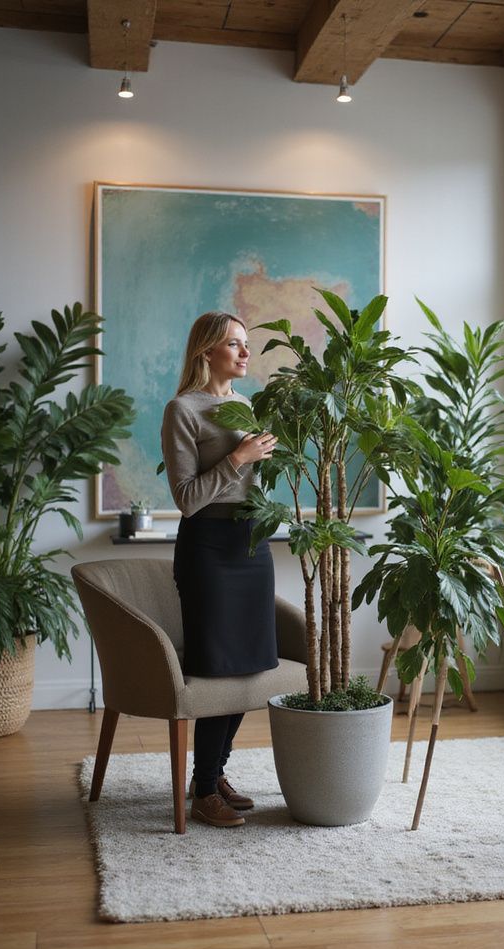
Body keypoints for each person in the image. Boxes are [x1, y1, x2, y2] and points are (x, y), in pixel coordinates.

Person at [161, 311, 279, 828]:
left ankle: (212, 773)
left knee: (247, 665)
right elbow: (186, 500)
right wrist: (239, 457)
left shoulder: (247, 407)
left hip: (250, 544)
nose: (246, 353)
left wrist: (269, 460)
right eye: (235, 344)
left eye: (246, 344)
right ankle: (204, 790)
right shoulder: (182, 410)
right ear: (207, 351)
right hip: (207, 546)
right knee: (216, 665)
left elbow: (254, 484)